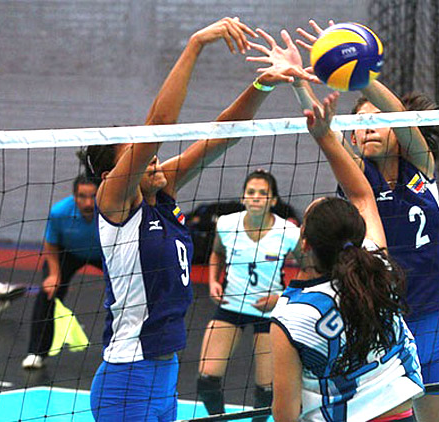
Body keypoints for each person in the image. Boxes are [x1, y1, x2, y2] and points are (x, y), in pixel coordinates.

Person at [82, 18, 315, 422]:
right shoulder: (115, 203)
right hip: (127, 376)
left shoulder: (163, 191)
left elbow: (224, 134)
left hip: (164, 369)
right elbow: (158, 126)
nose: (152, 157)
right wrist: (195, 44)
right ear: (112, 175)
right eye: (136, 154)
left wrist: (266, 83)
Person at [273, 20, 439, 422]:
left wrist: (362, 74)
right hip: (388, 325)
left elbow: (402, 119)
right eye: (359, 125)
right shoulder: (360, 181)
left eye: (377, 120)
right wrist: (299, 83)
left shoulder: (421, 169)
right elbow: (325, 133)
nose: (369, 127)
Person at [270, 91, 424, 421]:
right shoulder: (376, 267)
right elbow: (362, 194)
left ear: (305, 243)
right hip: (401, 414)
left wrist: (320, 126)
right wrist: (324, 135)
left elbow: (285, 413)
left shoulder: (290, 315)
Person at [197, 169, 300, 421]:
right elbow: (216, 254)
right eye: (251, 192)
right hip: (231, 306)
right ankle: (219, 419)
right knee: (206, 380)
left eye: (263, 193)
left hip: (269, 313)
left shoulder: (288, 232)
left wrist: (282, 298)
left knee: (266, 390)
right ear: (243, 197)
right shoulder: (226, 224)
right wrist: (213, 281)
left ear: (273, 200)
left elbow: (309, 270)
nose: (255, 197)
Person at [22, 174, 102, 369]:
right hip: (68, 253)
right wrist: (54, 274)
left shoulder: (111, 208)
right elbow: (51, 243)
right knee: (48, 293)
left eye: (93, 196)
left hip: (104, 253)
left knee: (127, 292)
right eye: (82, 196)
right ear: (74, 196)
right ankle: (36, 352)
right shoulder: (59, 212)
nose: (88, 202)